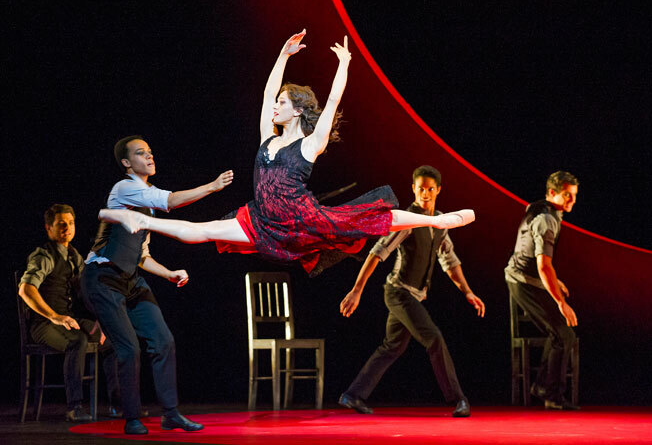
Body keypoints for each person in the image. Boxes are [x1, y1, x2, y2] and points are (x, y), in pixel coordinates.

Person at [98, 30, 475, 276]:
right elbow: (265, 95)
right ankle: (144, 222)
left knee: (371, 217)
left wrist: (344, 65)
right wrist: (282, 55)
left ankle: (436, 222)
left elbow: (332, 101)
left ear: (296, 109)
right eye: (277, 102)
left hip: (304, 221)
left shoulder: (310, 145)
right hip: (263, 221)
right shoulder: (268, 137)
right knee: (203, 231)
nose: (274, 106)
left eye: (282, 102)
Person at [80, 136, 233, 435]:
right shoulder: (124, 189)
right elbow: (171, 200)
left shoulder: (145, 206)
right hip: (102, 279)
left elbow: (142, 256)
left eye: (150, 152)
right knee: (128, 348)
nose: (149, 157)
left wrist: (169, 273)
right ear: (126, 163)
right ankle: (132, 418)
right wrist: (212, 186)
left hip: (129, 280)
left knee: (163, 340)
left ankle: (171, 414)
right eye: (140, 153)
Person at [337, 166, 485, 417]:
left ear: (438, 190)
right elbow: (376, 253)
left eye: (430, 189)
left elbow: (450, 262)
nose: (425, 193)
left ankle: (352, 395)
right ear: (413, 189)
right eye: (420, 188)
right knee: (434, 338)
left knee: (392, 347)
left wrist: (468, 292)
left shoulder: (440, 222)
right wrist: (356, 290)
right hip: (398, 293)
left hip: (414, 296)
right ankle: (458, 399)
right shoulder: (407, 220)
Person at [18, 203, 120, 422]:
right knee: (78, 340)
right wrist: (55, 316)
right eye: (61, 224)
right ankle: (74, 407)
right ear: (49, 228)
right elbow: (25, 290)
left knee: (111, 340)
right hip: (44, 324)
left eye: (71, 223)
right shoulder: (43, 256)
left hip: (68, 320)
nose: (67, 228)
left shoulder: (73, 256)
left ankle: (117, 405)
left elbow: (86, 292)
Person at [504, 171, 580, 410]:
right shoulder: (547, 219)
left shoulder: (543, 209)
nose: (571, 201)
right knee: (563, 334)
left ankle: (543, 387)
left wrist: (556, 283)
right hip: (521, 280)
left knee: (561, 333)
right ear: (552, 193)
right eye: (566, 195)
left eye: (574, 196)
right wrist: (560, 301)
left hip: (529, 278)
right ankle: (550, 393)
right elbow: (542, 264)